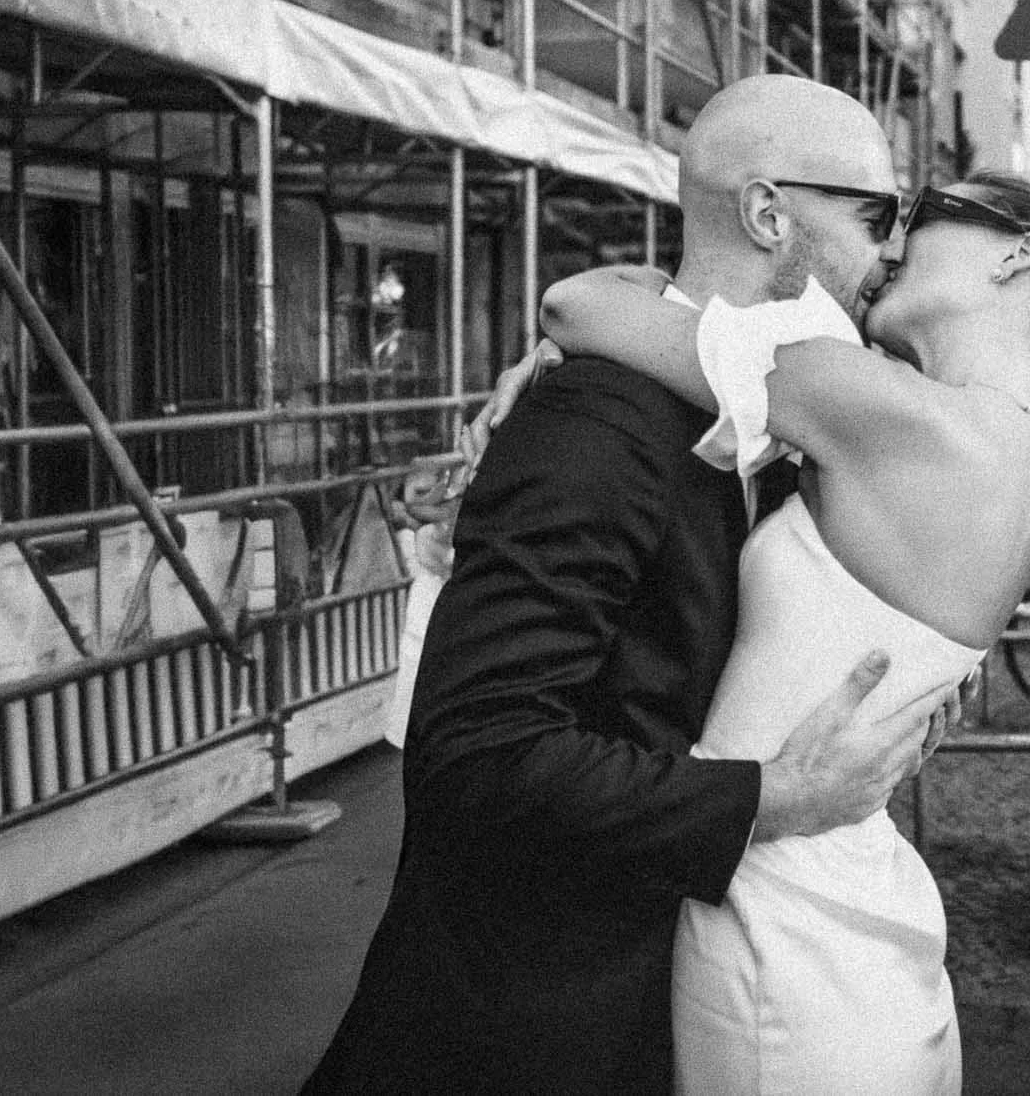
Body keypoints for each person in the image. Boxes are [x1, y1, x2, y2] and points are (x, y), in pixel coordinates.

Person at [534, 170, 1030, 1091]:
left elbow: (575, 304)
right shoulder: (997, 443)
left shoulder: (892, 413)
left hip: (781, 935)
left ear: (1018, 253)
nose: (890, 247)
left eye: (921, 217)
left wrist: (606, 323)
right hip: (844, 921)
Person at [304, 77, 953, 1096]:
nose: (891, 250)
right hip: (531, 1026)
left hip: (666, 997)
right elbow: (476, 750)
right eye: (877, 215)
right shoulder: (597, 422)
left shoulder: (767, 413)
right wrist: (772, 797)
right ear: (769, 213)